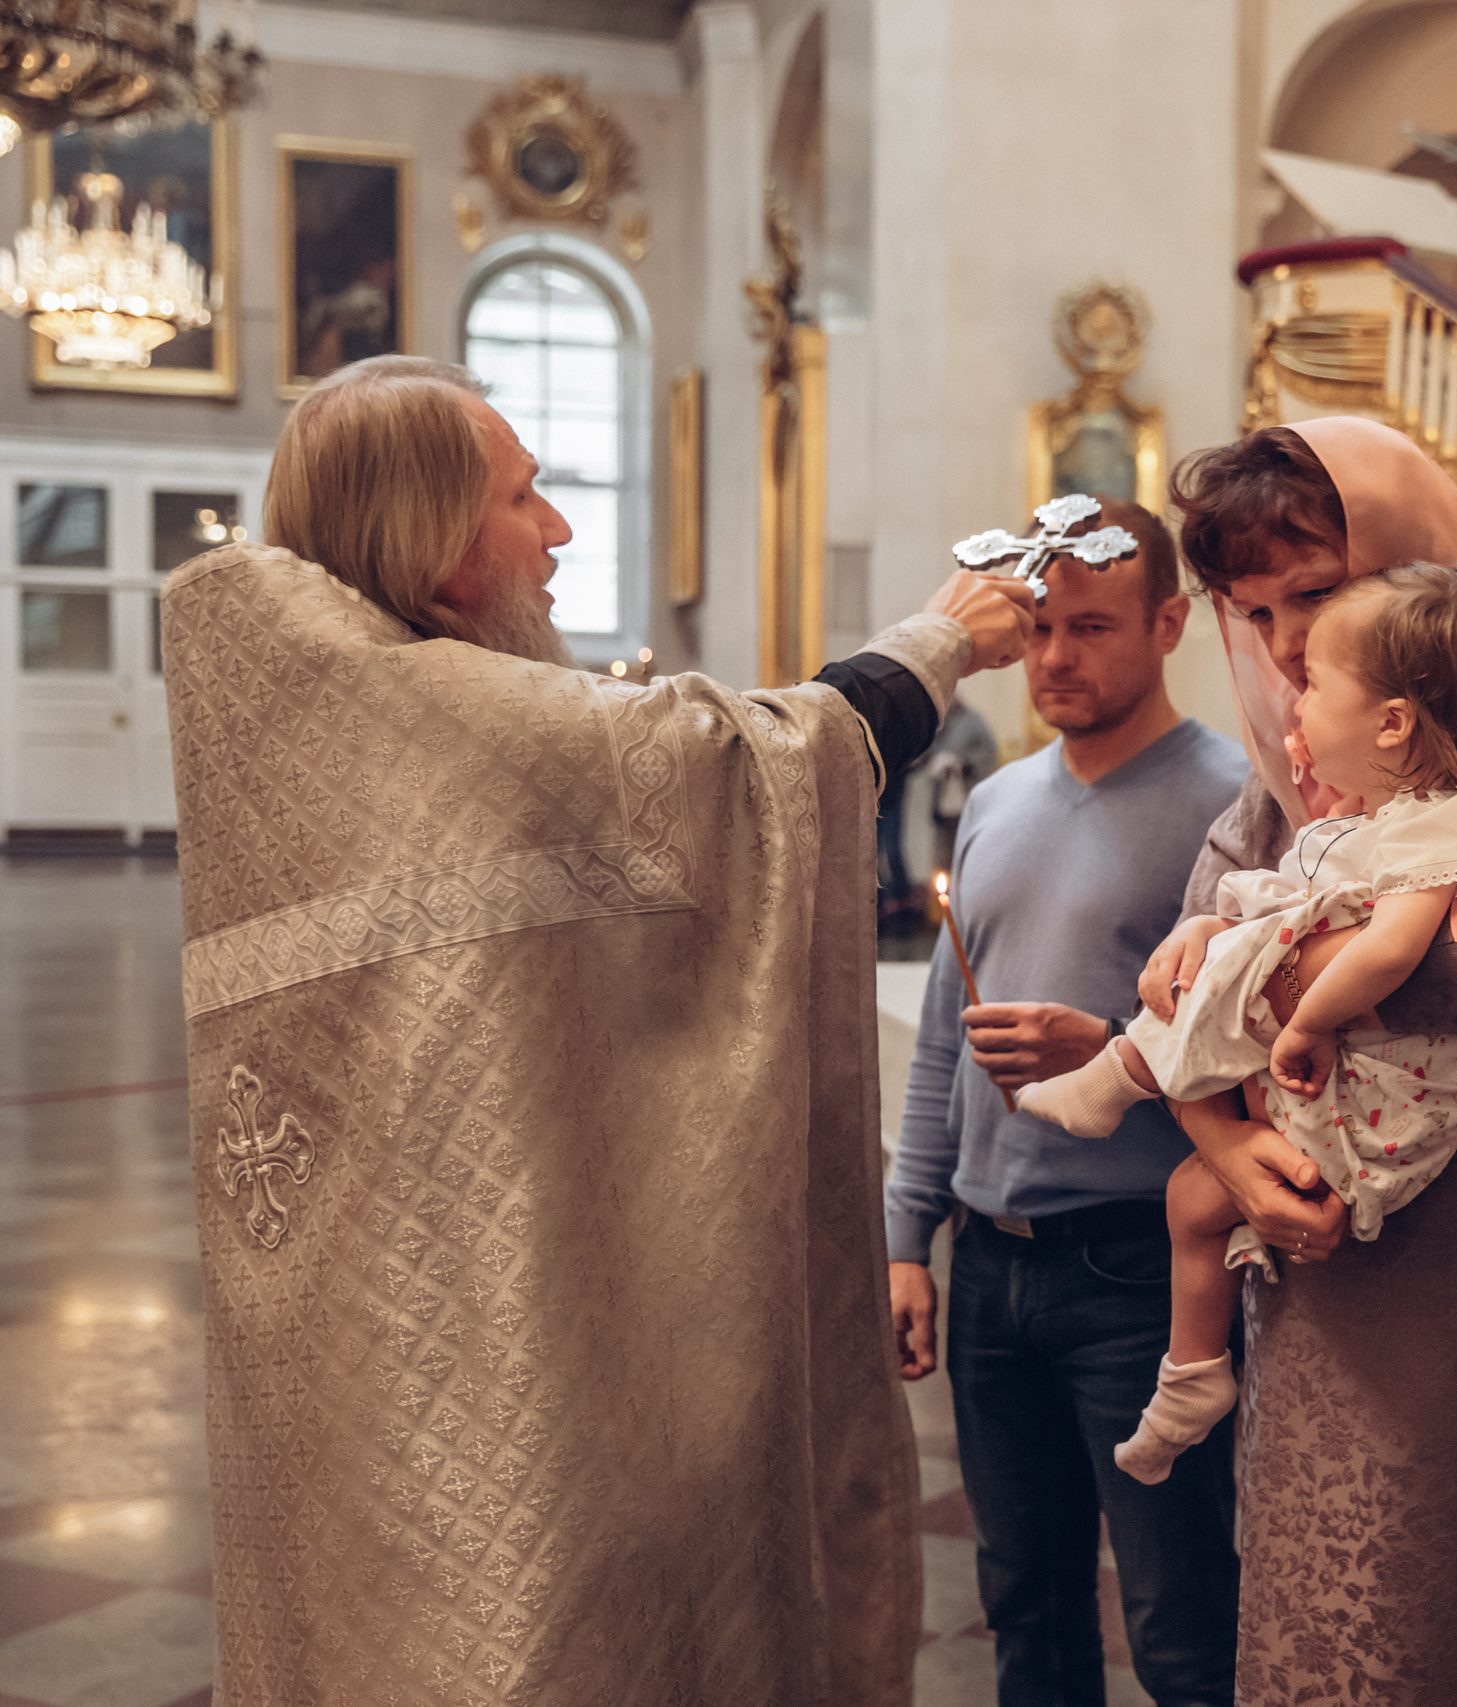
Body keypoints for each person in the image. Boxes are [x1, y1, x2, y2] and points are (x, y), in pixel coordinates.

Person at [164, 355, 1034, 1705]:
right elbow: (754, 770)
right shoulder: (448, 723)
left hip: (353, 1361)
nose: (559, 530)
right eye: (527, 497)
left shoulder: (303, 722)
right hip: (498, 1384)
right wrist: (940, 640)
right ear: (437, 546)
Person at [1142, 417, 1457, 1704]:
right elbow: (1187, 988)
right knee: (1309, 1612)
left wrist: (1260, 971)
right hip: (1314, 1275)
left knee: (1448, 1621)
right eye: (1253, 609)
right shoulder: (1299, 765)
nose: (1289, 646)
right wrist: (1227, 1149)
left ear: (1416, 565)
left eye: (1321, 593)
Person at [1024, 564, 1457, 1484]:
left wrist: (1305, 1022)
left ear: (1391, 723)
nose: (1291, 692)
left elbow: (1391, 948)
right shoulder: (1385, 812)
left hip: (1378, 1102)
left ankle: (1121, 1075)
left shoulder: (1437, 820)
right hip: (1338, 1083)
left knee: (1238, 968)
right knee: (1191, 1195)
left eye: (1316, 686)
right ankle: (1193, 1375)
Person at [882, 498, 1251, 1707]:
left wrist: (1106, 1046)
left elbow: (1258, 1055)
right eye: (1036, 627)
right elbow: (945, 1040)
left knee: (1180, 1620)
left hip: (1139, 1267)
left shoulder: (1233, 805)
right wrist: (906, 1240)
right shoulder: (995, 799)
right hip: (989, 1263)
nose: (1054, 657)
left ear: (1169, 624)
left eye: (1091, 627)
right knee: (1024, 1607)